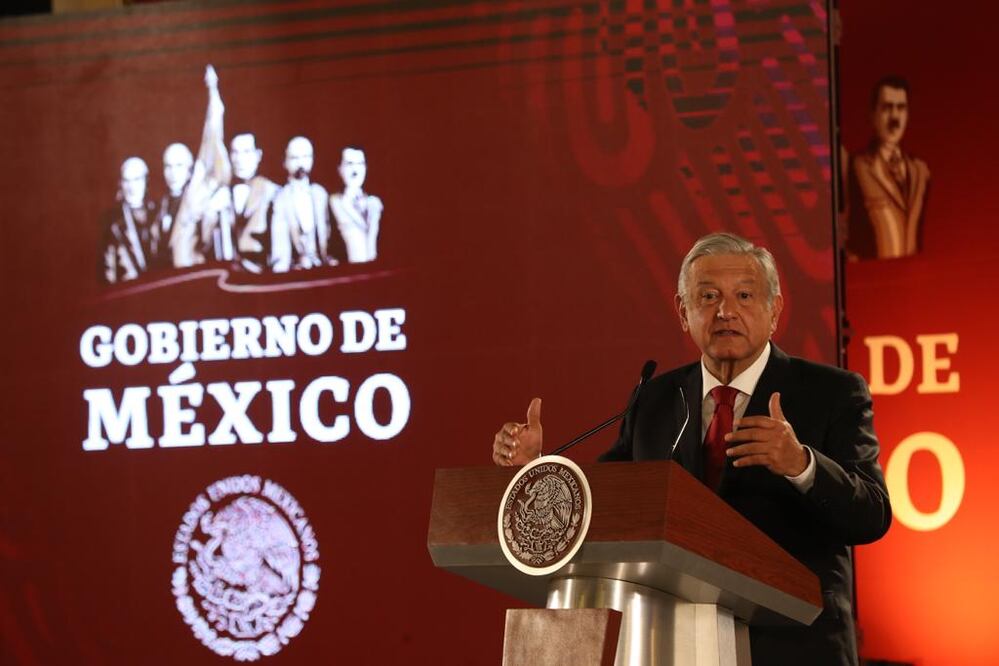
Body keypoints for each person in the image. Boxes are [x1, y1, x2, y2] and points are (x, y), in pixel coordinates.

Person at [491, 232, 891, 666]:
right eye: (708, 296)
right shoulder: (655, 400)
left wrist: (802, 465)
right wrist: (535, 473)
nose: (725, 311)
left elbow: (872, 515)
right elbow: (606, 502)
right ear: (684, 312)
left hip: (794, 648)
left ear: (775, 310)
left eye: (743, 295)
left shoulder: (831, 392)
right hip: (674, 645)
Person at [157, 65, 232, 269]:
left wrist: (212, 90)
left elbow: (212, 134)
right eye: (168, 166)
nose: (173, 173)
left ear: (190, 168)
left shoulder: (199, 192)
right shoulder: (160, 206)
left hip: (195, 280)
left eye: (179, 165)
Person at [847, 75, 930, 260]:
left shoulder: (920, 171)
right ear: (873, 114)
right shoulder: (857, 167)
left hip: (912, 275)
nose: (895, 116)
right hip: (871, 278)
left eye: (901, 108)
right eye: (887, 107)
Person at [211, 132, 280, 273]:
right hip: (228, 277)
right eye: (235, 152)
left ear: (258, 155)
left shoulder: (273, 192)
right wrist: (211, 212)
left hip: (263, 275)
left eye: (246, 152)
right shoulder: (221, 194)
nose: (240, 159)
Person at [271, 136, 335, 272]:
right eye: (295, 158)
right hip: (295, 270)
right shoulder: (280, 198)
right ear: (284, 162)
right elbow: (279, 243)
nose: (301, 163)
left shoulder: (320, 194)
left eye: (306, 157)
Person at [100, 156, 159, 284]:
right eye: (126, 181)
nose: (131, 187)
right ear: (120, 184)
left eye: (137, 180)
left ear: (146, 181)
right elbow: (108, 270)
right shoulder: (112, 223)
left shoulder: (159, 213)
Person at [330, 147, 383, 263]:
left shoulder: (375, 203)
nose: (355, 170)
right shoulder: (334, 203)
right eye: (349, 164)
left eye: (360, 163)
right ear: (339, 169)